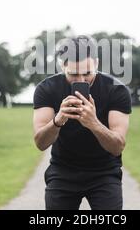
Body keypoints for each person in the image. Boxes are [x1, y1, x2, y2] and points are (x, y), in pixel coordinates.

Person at [32, 35, 132, 210]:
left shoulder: (117, 90)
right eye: (73, 74)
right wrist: (58, 120)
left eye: (87, 73)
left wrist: (93, 123)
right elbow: (40, 143)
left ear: (97, 64)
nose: (81, 80)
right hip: (63, 171)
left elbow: (117, 147)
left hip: (104, 173)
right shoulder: (46, 89)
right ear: (62, 66)